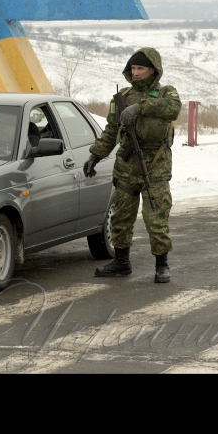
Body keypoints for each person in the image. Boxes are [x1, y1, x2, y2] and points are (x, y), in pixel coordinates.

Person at [83, 48, 180, 283]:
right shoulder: (122, 97)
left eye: (140, 68)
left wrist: (140, 107)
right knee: (121, 218)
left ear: (153, 70)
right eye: (133, 68)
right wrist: (95, 156)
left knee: (155, 218)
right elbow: (110, 132)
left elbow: (173, 109)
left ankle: (162, 265)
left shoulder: (166, 92)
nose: (135, 73)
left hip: (155, 167)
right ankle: (121, 261)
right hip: (126, 166)